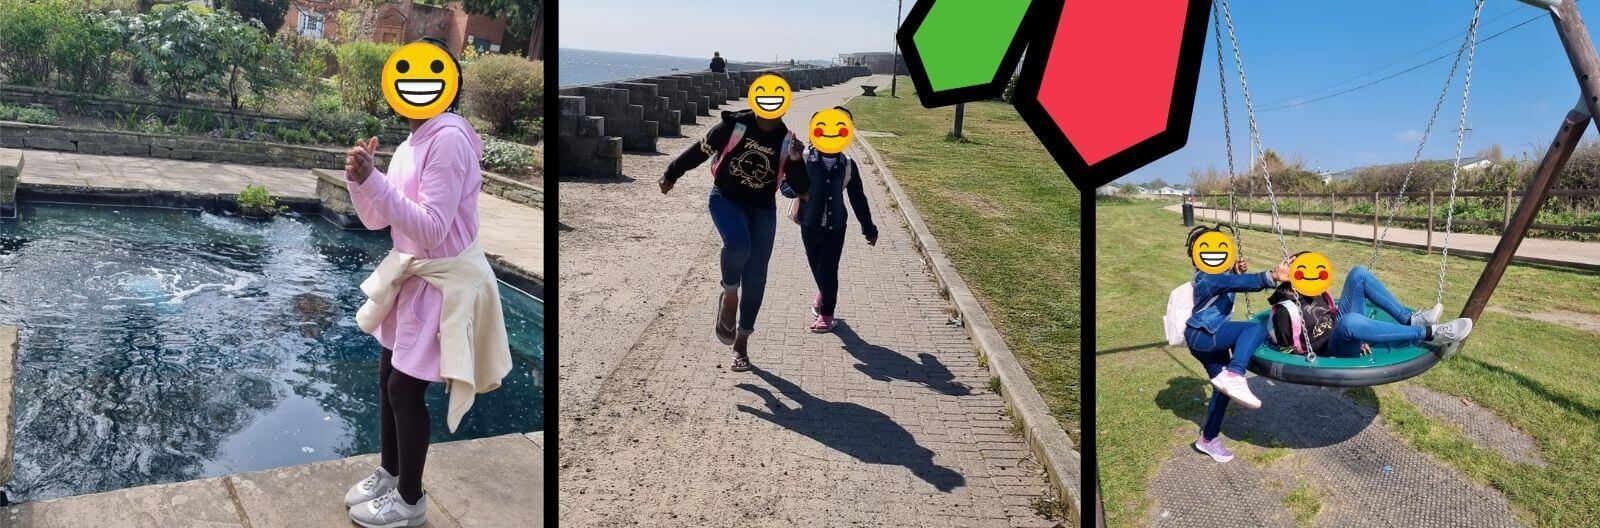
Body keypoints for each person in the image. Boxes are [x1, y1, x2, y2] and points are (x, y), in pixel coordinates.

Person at [341, 38, 511, 528]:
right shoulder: (416, 139)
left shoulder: (450, 138)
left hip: (443, 279)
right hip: (414, 274)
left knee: (403, 388)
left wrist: (376, 181)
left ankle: (410, 501)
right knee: (386, 375)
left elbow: (434, 226)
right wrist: (362, 181)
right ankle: (390, 474)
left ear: (448, 85)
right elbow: (379, 220)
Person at [659, 74, 809, 372]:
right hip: (725, 198)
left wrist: (795, 160)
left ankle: (741, 345)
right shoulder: (734, 126)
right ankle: (729, 294)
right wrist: (671, 173)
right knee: (739, 244)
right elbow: (698, 151)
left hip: (762, 208)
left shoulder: (788, 141)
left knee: (756, 277)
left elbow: (802, 189)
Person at [1180, 226, 1285, 463]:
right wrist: (1272, 276)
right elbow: (1240, 283)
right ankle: (1236, 373)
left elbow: (1229, 282)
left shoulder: (1215, 275)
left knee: (1222, 390)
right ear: (1196, 253)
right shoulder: (1207, 277)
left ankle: (1207, 439)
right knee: (1254, 328)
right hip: (1205, 336)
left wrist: (1233, 271)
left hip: (1207, 339)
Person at [1266, 254, 1471, 360]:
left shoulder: (1317, 291)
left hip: (1346, 332)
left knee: (1359, 274)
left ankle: (1410, 320)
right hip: (1331, 351)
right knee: (1348, 322)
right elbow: (1287, 350)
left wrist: (1359, 335)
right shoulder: (1286, 309)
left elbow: (1331, 315)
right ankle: (1429, 333)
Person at [783, 106, 878, 332]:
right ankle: (823, 294)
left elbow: (858, 198)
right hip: (809, 224)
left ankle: (826, 314)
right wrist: (800, 188)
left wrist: (868, 228)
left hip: (836, 227)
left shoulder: (848, 166)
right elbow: (784, 187)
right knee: (817, 266)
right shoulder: (803, 160)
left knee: (828, 269)